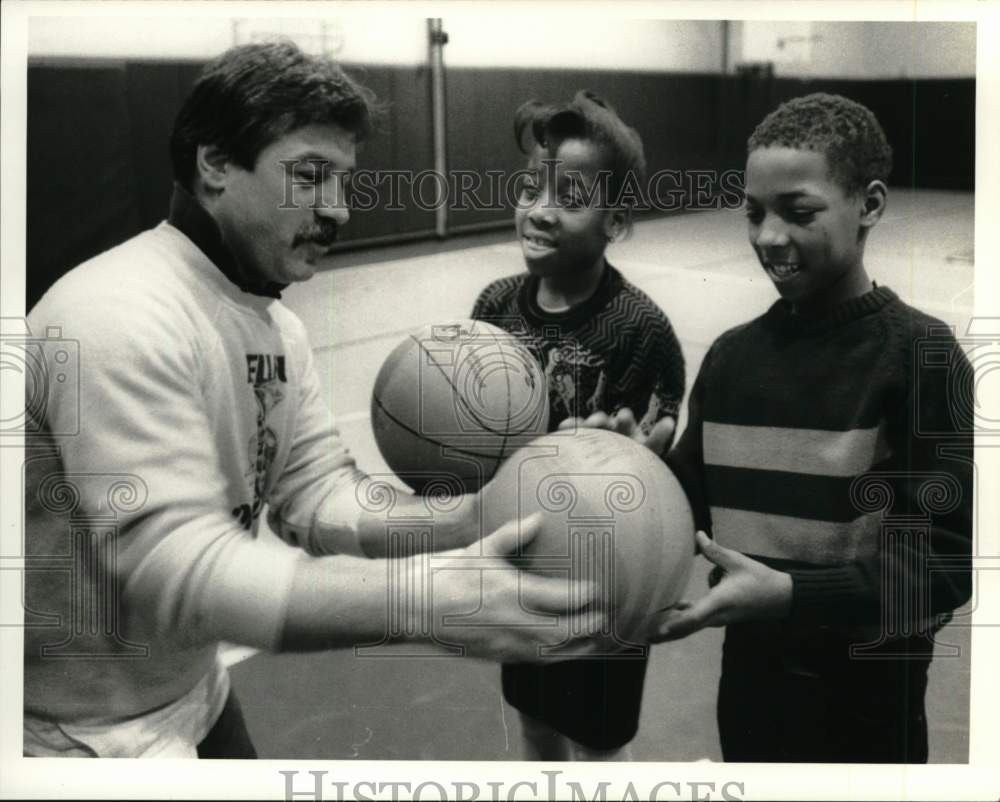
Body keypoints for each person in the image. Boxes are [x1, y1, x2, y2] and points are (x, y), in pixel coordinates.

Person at [22, 41, 605, 759]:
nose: (337, 209)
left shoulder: (273, 325)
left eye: (343, 181)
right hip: (71, 740)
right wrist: (424, 600)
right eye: (308, 176)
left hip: (194, 695)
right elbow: (174, 568)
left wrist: (479, 516)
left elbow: (320, 497)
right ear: (213, 164)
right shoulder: (117, 312)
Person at [582, 93, 973, 762]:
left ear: (869, 205)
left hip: (869, 706)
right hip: (751, 690)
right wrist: (633, 472)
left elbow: (943, 560)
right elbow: (689, 508)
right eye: (754, 213)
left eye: (798, 213)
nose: (768, 236)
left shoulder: (920, 357)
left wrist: (791, 594)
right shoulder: (734, 357)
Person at [471, 90, 685, 761]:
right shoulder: (494, 308)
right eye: (532, 187)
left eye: (568, 196)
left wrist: (635, 457)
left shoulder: (638, 328)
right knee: (534, 721)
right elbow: (477, 442)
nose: (538, 210)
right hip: (525, 567)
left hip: (604, 581)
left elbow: (655, 479)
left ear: (615, 219)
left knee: (596, 741)